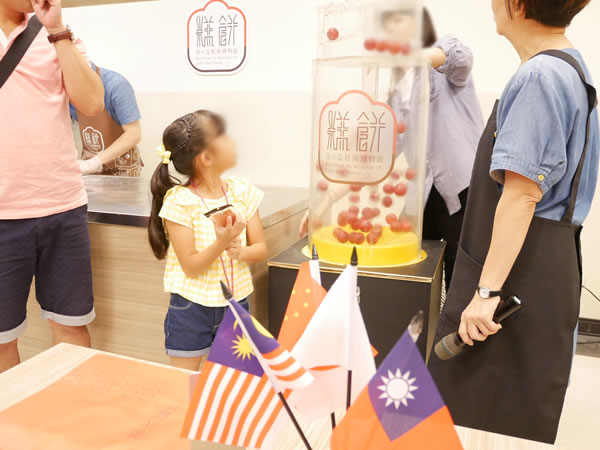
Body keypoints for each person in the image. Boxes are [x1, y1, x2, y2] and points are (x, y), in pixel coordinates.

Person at [428, 0, 597, 444]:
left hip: (515, 276)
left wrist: (486, 294)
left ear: (517, 6)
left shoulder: (540, 78)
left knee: (485, 412)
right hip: (546, 265)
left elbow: (522, 195)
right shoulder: (572, 67)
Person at [300, 9, 483, 289]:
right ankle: (428, 331)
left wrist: (419, 57)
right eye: (387, 27)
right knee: (422, 274)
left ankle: (456, 329)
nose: (392, 31)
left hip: (463, 188)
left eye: (399, 21)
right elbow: (375, 157)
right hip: (424, 196)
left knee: (460, 277)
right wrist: (326, 199)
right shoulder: (398, 92)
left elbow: (461, 57)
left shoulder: (441, 62)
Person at [0, 0, 104, 373]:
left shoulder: (58, 33)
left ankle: (72, 426)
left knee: (73, 329)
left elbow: (92, 102)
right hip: (3, 216)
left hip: (63, 207)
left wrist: (57, 30)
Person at [148, 110, 268, 371]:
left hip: (236, 304)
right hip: (191, 307)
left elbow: (260, 249)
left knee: (232, 384)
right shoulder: (180, 202)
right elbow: (190, 266)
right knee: (183, 382)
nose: (232, 141)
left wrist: (240, 252)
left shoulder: (242, 192)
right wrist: (221, 243)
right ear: (206, 157)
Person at [70, 63, 142, 176]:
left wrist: (95, 162)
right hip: (89, 168)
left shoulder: (117, 86)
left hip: (122, 169)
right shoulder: (67, 89)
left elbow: (134, 133)